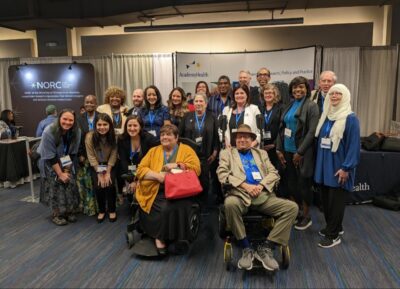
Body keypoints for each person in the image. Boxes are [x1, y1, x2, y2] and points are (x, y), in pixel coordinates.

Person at [217, 124, 298, 271]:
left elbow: (274, 173)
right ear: (235, 140)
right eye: (239, 137)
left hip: (263, 196)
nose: (242, 140)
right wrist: (245, 186)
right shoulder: (226, 154)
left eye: (246, 137)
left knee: (292, 208)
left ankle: (267, 247)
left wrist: (260, 185)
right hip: (240, 195)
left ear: (252, 140)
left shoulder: (261, 153)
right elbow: (222, 174)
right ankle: (246, 248)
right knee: (229, 204)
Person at [135, 124, 201, 255]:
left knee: (176, 207)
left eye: (168, 134)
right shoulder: (153, 151)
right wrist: (158, 176)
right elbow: (140, 169)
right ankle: (159, 237)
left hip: (181, 191)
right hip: (156, 190)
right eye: (162, 134)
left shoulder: (186, 150)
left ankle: (178, 236)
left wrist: (178, 165)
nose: (164, 137)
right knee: (163, 207)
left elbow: (196, 169)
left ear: (176, 138)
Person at [314, 84, 360, 248]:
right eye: (332, 94)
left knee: (336, 201)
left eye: (338, 94)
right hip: (324, 165)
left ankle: (333, 236)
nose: (333, 96)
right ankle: (334, 227)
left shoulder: (350, 118)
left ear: (345, 96)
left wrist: (346, 168)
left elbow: (354, 146)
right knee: (326, 200)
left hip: (339, 167)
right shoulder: (327, 116)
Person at [276, 76, 319, 231]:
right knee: (291, 184)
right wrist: (279, 149)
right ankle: (298, 211)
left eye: (301, 87)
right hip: (287, 150)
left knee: (304, 185)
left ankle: (307, 216)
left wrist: (300, 152)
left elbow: (312, 132)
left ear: (306, 89)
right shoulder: (289, 105)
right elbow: (282, 129)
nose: (297, 90)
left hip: (302, 153)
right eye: (294, 87)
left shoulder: (312, 106)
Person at [38, 109, 81, 226]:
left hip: (66, 160)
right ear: (59, 119)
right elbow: (50, 157)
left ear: (74, 121)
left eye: (70, 120)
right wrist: (60, 174)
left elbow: (72, 153)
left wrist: (66, 171)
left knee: (69, 182)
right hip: (49, 162)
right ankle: (56, 214)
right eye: (64, 119)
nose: (67, 122)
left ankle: (68, 211)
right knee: (54, 186)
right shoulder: (49, 131)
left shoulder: (77, 132)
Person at [179, 93, 219, 206]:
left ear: (206, 104)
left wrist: (215, 152)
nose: (198, 103)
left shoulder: (212, 117)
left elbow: (216, 136)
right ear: (193, 104)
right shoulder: (187, 117)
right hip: (189, 156)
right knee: (190, 179)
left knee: (204, 181)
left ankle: (203, 206)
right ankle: (191, 204)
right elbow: (180, 135)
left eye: (201, 101)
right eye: (196, 101)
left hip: (206, 155)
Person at [85, 113, 118, 223]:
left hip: (109, 164)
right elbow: (91, 156)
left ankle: (112, 209)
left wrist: (108, 172)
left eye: (105, 124)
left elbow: (114, 154)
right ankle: (102, 210)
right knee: (99, 186)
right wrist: (99, 173)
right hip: (96, 165)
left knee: (110, 185)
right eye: (99, 124)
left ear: (110, 125)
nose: (102, 127)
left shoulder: (114, 136)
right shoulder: (89, 136)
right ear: (95, 125)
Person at [118, 115, 158, 196]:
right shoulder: (121, 139)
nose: (132, 128)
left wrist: (138, 180)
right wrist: (132, 180)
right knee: (129, 193)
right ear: (126, 127)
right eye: (129, 125)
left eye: (135, 125)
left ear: (141, 127)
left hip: (146, 173)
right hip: (129, 173)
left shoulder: (149, 139)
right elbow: (123, 161)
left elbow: (153, 162)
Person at [76, 95, 98, 216]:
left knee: (97, 181)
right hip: (84, 155)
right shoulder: (79, 119)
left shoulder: (101, 117)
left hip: (99, 155)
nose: (89, 104)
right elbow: (77, 139)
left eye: (91, 102)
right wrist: (80, 153)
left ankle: (100, 206)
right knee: (86, 182)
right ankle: (89, 207)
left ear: (96, 104)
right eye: (86, 102)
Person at [260, 84, 283, 168]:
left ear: (275, 94)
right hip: (262, 147)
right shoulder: (260, 108)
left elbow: (282, 128)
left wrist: (274, 144)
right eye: (266, 93)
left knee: (275, 170)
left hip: (275, 147)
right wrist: (261, 144)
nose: (268, 95)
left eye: (270, 93)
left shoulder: (281, 108)